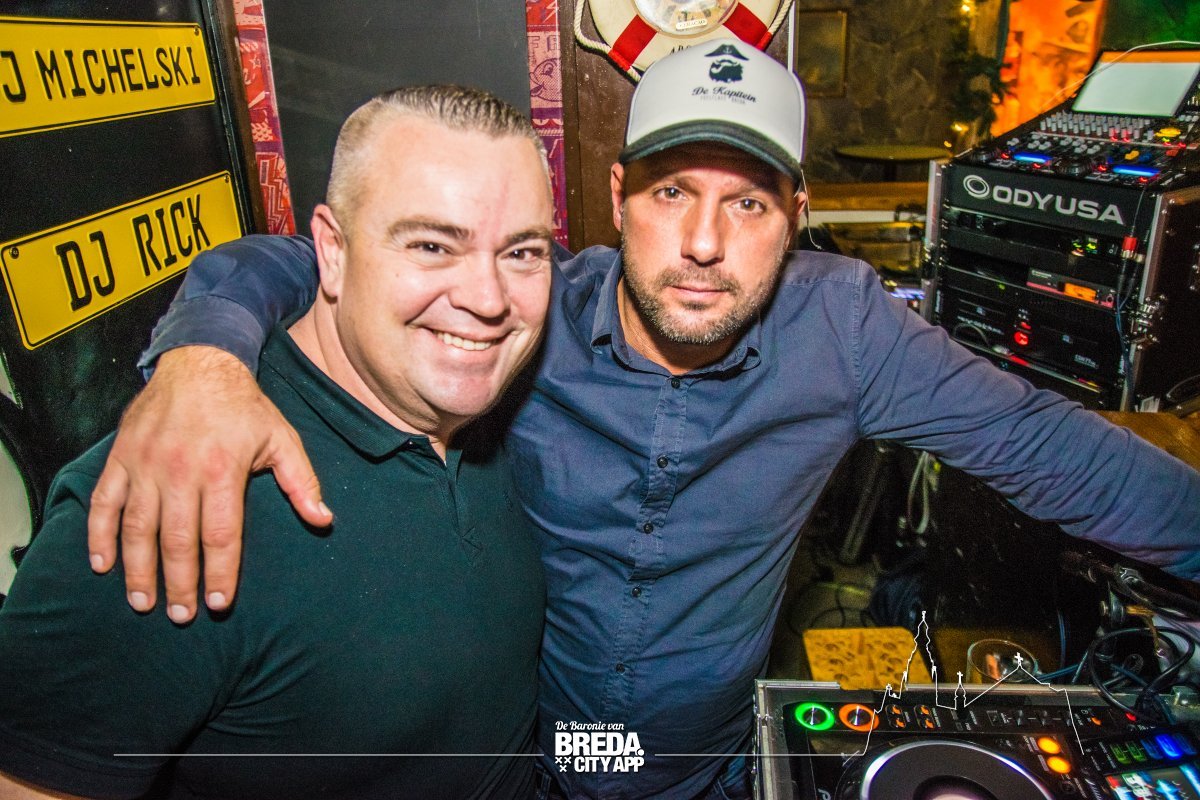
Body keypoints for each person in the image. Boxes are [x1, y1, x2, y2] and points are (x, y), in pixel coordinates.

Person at [89, 41, 1200, 800]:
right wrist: (203, 354)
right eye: (672, 193)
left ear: (796, 215)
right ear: (616, 196)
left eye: (747, 203)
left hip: (708, 766)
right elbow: (319, 258)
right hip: (535, 758)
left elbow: (1054, 451)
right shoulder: (525, 313)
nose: (704, 243)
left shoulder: (847, 329)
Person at [0, 85, 554, 799]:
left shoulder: (476, 400)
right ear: (332, 251)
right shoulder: (176, 493)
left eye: (522, 252)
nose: (488, 298)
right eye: (430, 246)